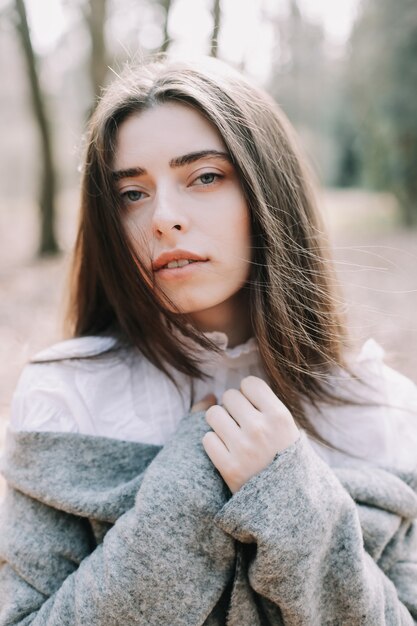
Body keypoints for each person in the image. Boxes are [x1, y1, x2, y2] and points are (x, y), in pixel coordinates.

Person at [0, 56, 416, 625]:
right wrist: (186, 498)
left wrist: (293, 500)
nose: (163, 218)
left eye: (205, 177)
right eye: (132, 194)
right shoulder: (67, 396)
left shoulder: (381, 409)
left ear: (268, 191)